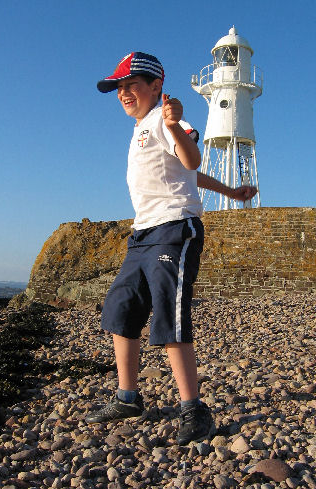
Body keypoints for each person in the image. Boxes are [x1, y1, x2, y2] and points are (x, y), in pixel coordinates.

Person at [86, 52, 257, 445]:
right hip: (142, 233)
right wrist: (230, 190)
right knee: (121, 306)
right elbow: (190, 172)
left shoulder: (168, 120)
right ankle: (128, 397)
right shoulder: (141, 128)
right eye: (119, 88)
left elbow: (191, 155)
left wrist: (174, 124)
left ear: (156, 86)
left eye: (131, 85)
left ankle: (193, 407)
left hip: (175, 228)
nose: (124, 93)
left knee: (169, 311)